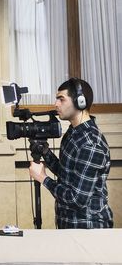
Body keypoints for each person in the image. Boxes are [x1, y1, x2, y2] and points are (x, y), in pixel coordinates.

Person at [29, 78, 113, 229]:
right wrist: (45, 152)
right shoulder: (73, 133)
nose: (56, 104)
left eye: (61, 99)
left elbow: (77, 199)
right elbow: (67, 175)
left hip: (88, 228)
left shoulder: (90, 144)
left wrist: (43, 178)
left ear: (80, 102)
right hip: (69, 224)